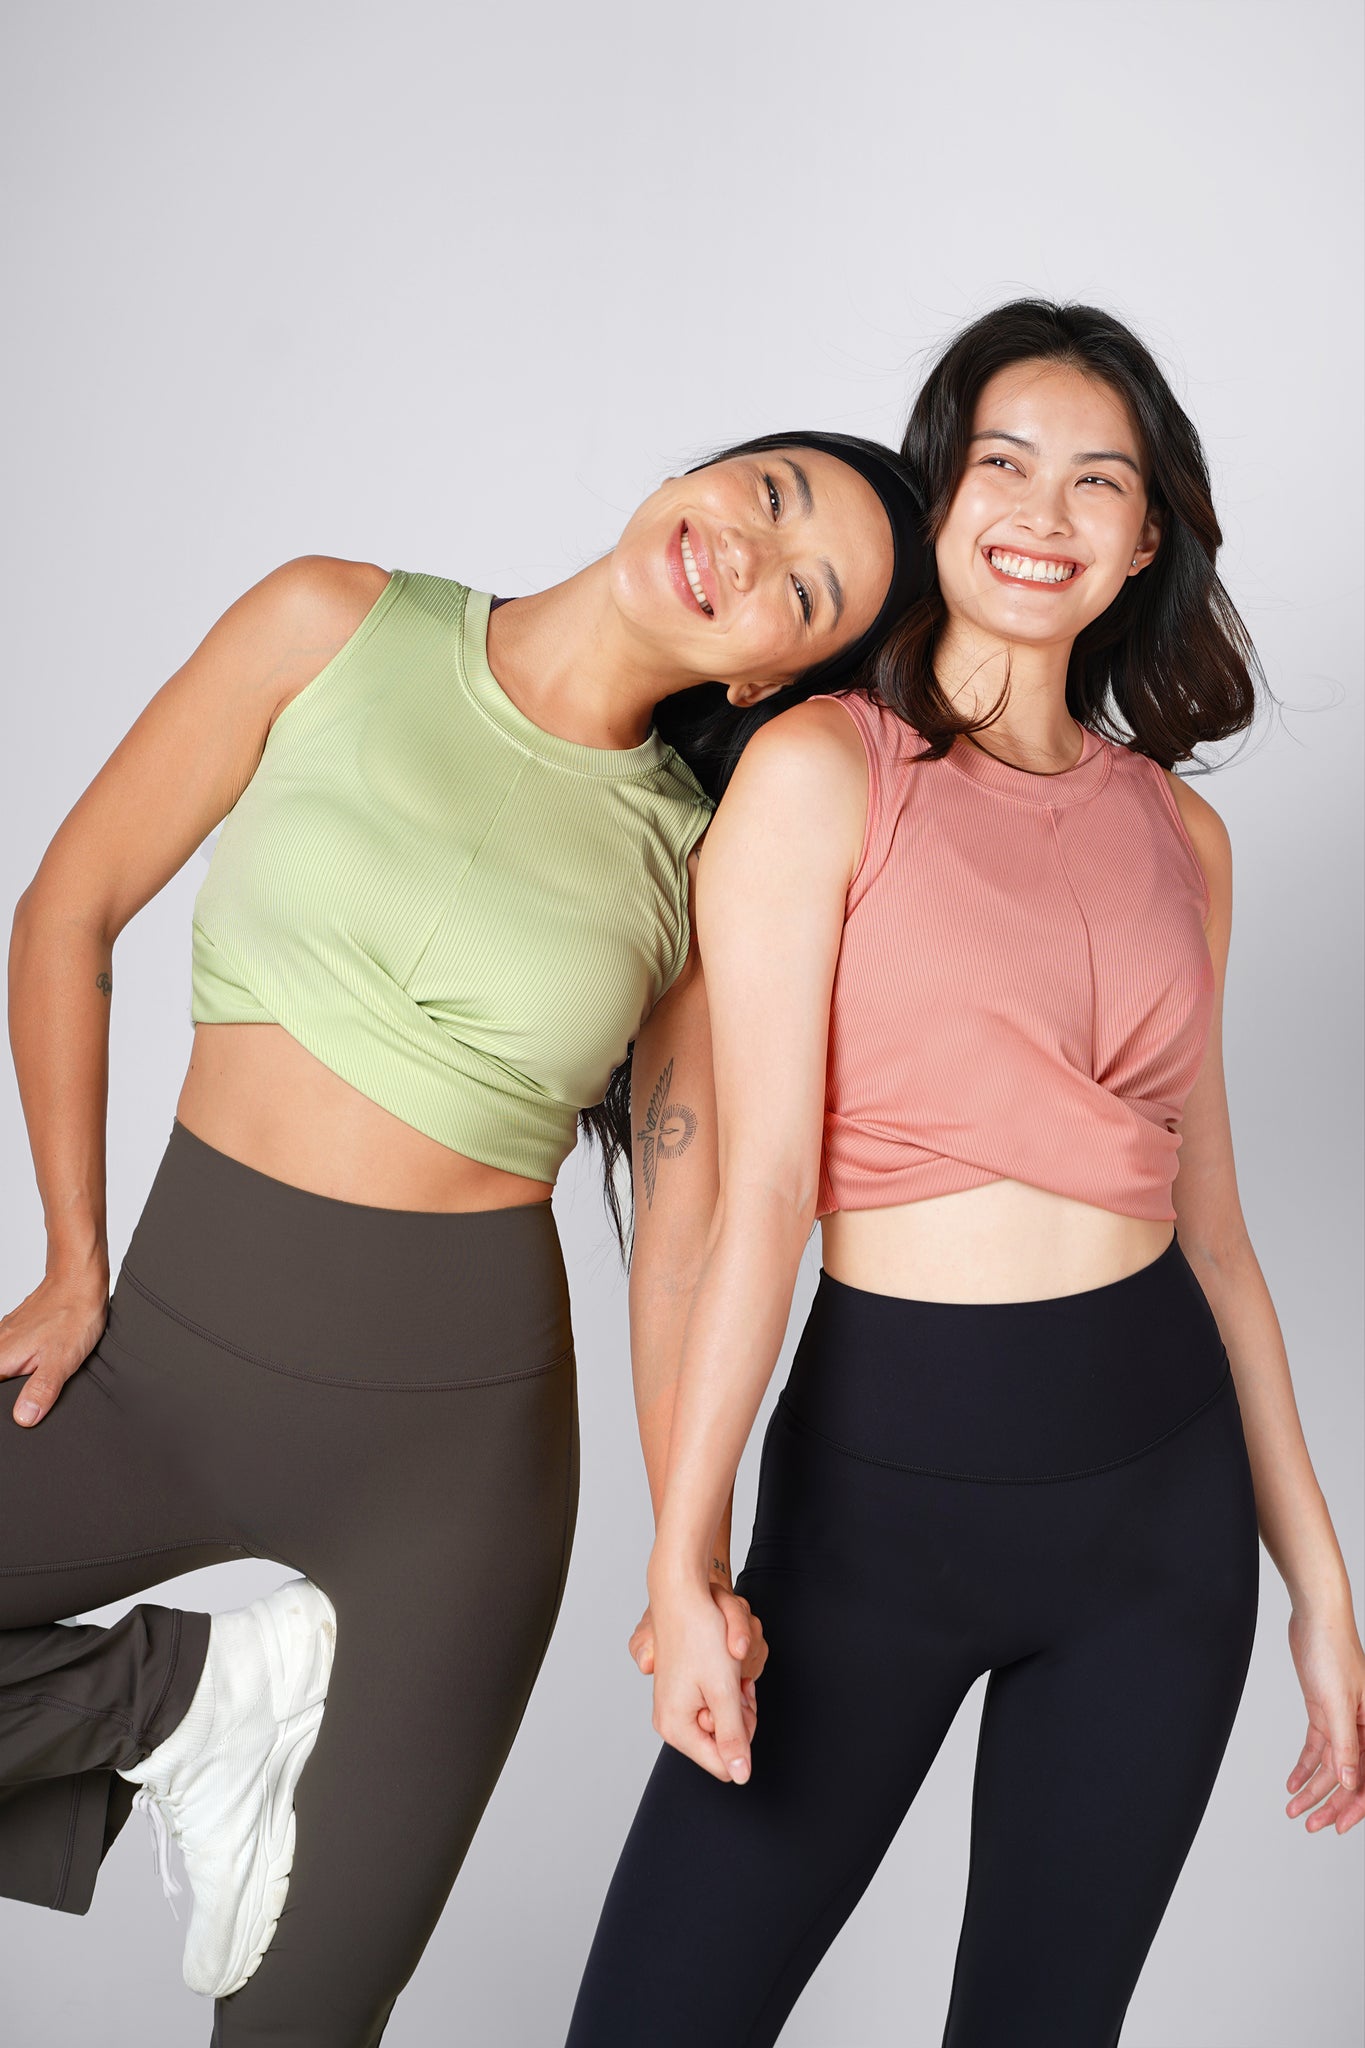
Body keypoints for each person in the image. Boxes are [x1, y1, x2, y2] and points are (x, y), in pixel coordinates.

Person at [0, 427, 927, 2044]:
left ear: (776, 676)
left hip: (449, 1468)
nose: (747, 554)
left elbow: (684, 1222)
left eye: (804, 593)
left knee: (304, 2018)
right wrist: (73, 1259)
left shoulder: (699, 855)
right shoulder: (327, 620)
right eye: (767, 496)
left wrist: (688, 1558)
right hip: (156, 1373)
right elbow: (69, 906)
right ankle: (188, 1701)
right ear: (698, 471)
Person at [566, 302, 1365, 2048]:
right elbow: (755, 1199)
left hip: (1158, 1537)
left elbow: (1218, 1243)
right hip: (877, 1516)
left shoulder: (1182, 833)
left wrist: (1320, 1587)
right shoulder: (820, 773)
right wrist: (683, 1559)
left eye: (1098, 482)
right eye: (1004, 464)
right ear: (942, 498)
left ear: (1143, 541)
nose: (1042, 512)